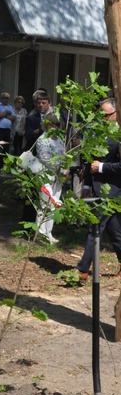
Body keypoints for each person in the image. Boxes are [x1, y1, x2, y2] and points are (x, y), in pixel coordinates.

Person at [77, 97, 121, 280]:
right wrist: (87, 183)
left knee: (95, 226)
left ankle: (83, 269)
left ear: (116, 113)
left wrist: (102, 168)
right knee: (114, 230)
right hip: (96, 185)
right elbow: (90, 158)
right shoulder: (97, 132)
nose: (103, 119)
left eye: (106, 115)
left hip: (112, 187)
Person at [35, 114, 66, 244]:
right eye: (55, 124)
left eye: (59, 124)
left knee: (54, 204)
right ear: (47, 124)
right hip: (46, 175)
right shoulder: (43, 140)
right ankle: (41, 233)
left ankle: (49, 232)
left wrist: (65, 169)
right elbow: (45, 158)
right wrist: (60, 168)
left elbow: (64, 155)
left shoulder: (59, 139)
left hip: (58, 177)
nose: (57, 127)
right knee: (45, 204)